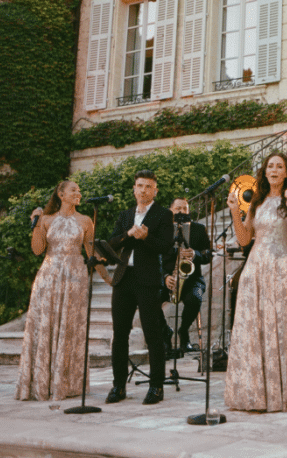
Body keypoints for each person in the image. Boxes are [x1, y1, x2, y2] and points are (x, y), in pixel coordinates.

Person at [224, 152, 287, 412]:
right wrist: (234, 212)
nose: (274, 170)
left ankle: (281, 394)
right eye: (270, 166)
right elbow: (244, 240)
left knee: (281, 326)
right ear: (264, 172)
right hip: (255, 268)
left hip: (282, 265)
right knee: (254, 328)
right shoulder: (257, 201)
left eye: (280, 166)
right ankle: (255, 393)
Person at [16, 181, 108, 401]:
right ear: (60, 194)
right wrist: (36, 222)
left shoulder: (86, 220)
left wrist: (109, 278)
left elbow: (90, 252)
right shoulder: (46, 220)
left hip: (75, 277)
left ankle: (67, 384)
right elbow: (37, 250)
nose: (79, 193)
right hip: (49, 276)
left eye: (79, 190)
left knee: (70, 327)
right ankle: (41, 383)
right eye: (74, 190)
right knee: (44, 325)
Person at [106, 170, 174, 405]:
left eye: (148, 186)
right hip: (124, 279)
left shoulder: (163, 215)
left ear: (155, 190)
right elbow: (112, 243)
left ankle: (156, 386)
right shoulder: (125, 215)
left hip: (147, 280)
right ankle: (118, 386)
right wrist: (128, 235)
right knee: (119, 334)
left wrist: (146, 237)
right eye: (139, 185)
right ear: (134, 189)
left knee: (152, 334)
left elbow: (166, 247)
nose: (143, 190)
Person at [163, 198, 212, 353]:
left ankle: (183, 332)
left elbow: (208, 254)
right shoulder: (162, 230)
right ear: (170, 210)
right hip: (168, 279)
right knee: (148, 298)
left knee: (195, 297)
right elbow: (155, 258)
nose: (182, 212)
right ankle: (165, 332)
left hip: (192, 279)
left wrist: (195, 254)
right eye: (178, 208)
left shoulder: (199, 229)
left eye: (185, 208)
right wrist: (164, 276)